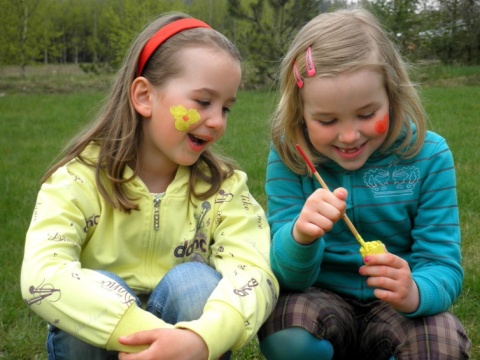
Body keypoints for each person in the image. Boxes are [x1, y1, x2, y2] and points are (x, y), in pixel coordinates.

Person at [21, 12, 279, 360]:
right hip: (97, 343)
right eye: (203, 102)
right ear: (144, 96)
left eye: (227, 107)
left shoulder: (224, 190)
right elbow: (43, 274)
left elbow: (254, 271)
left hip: (188, 347)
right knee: (94, 292)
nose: (217, 121)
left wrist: (200, 339)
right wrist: (147, 337)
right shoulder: (77, 179)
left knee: (196, 287)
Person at [258, 7, 471, 360]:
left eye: (367, 114)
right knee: (286, 332)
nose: (349, 135)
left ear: (393, 95)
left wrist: (414, 291)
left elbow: (442, 263)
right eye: (326, 120)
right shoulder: (290, 158)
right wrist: (300, 237)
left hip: (397, 307)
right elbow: (285, 276)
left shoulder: (429, 156)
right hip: (319, 296)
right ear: (300, 113)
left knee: (439, 344)